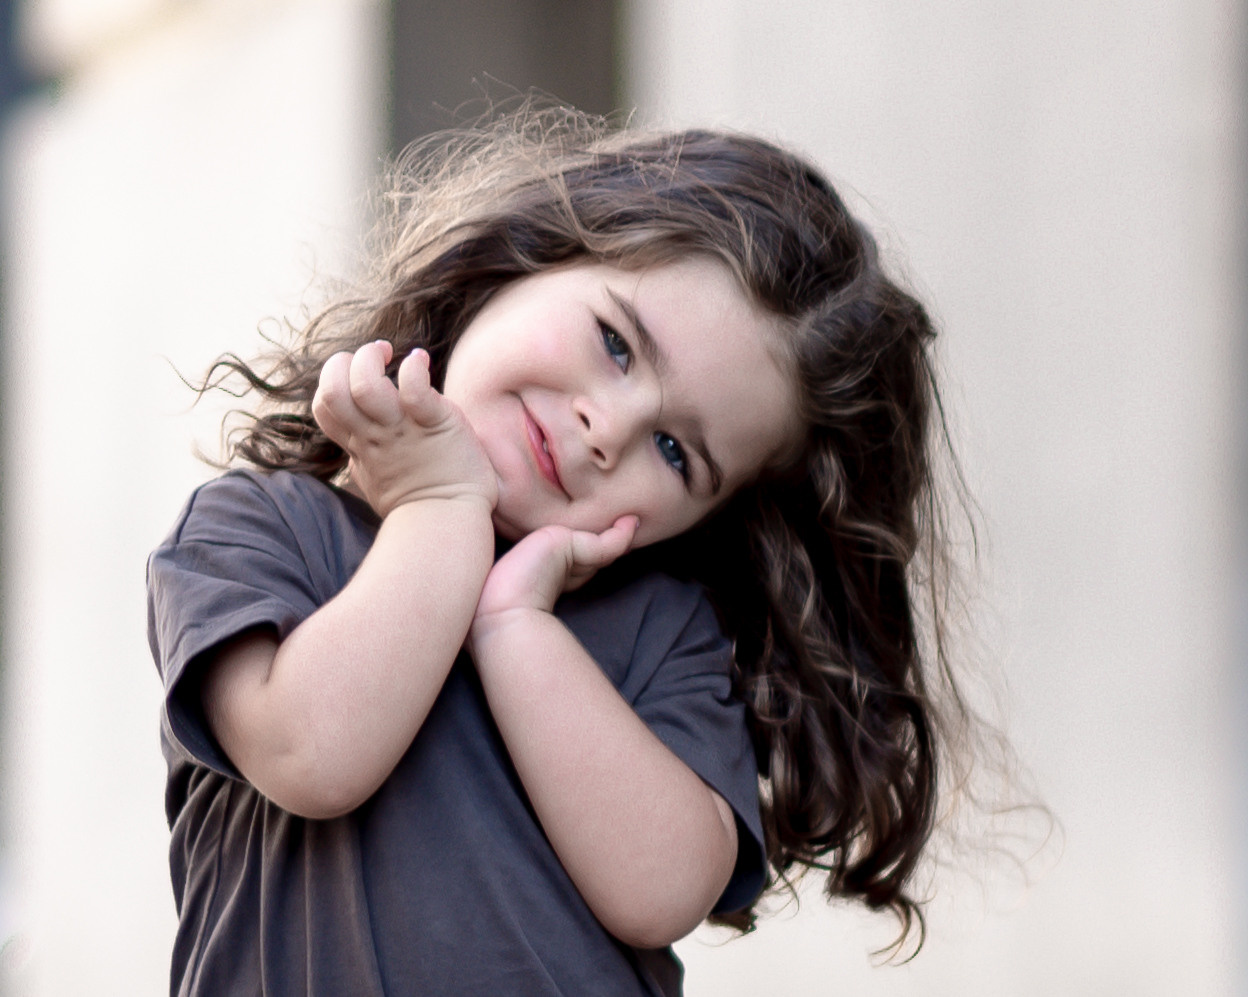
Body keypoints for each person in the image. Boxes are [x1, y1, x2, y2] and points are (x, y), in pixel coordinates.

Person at [147, 108, 971, 996]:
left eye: (674, 452)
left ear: (706, 518)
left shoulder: (662, 628)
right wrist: (439, 510)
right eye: (614, 343)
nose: (606, 429)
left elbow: (660, 891)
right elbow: (312, 754)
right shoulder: (259, 530)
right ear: (526, 256)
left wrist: (512, 626)